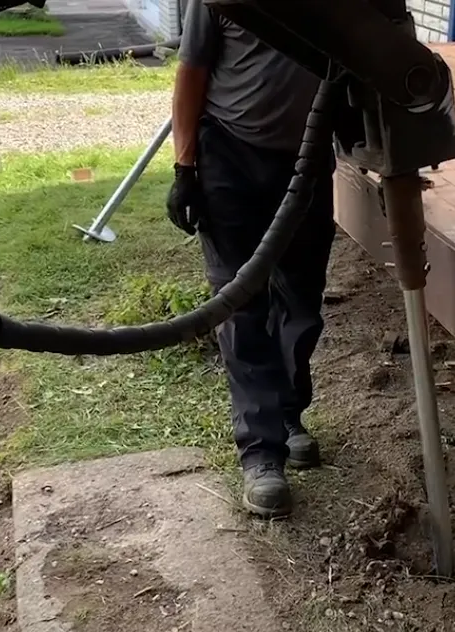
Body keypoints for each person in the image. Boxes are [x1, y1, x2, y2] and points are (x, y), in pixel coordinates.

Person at [167, 0, 337, 519]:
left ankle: (288, 417)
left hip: (306, 162)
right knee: (240, 306)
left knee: (303, 301)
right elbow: (191, 73)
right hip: (230, 157)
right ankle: (262, 456)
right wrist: (184, 166)